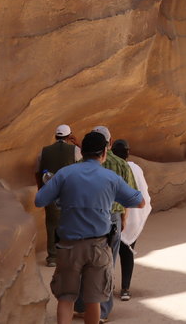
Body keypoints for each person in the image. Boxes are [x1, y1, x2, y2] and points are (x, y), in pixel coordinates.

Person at [34, 131, 143, 324]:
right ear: (104, 153)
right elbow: (139, 202)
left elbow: (40, 200)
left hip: (68, 246)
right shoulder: (110, 178)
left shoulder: (65, 173)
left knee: (66, 298)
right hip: (98, 246)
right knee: (95, 300)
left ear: (82, 152)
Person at [74, 125, 137, 321]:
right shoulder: (120, 164)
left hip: (85, 217)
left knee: (84, 261)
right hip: (112, 218)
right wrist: (124, 218)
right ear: (108, 143)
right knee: (108, 264)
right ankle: (102, 311)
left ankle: (82, 305)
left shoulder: (79, 164)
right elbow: (131, 196)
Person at [110, 139, 152, 302]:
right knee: (127, 253)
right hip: (133, 216)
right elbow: (143, 192)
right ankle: (125, 289)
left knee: (109, 255)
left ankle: (109, 285)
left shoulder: (108, 166)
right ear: (127, 152)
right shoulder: (134, 168)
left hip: (112, 216)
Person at [36, 124, 81, 267]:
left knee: (51, 223)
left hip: (50, 191)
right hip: (70, 192)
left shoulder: (44, 151)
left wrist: (41, 189)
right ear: (69, 136)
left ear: (56, 136)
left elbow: (37, 172)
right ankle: (68, 255)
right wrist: (77, 143)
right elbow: (87, 162)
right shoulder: (75, 150)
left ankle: (52, 257)